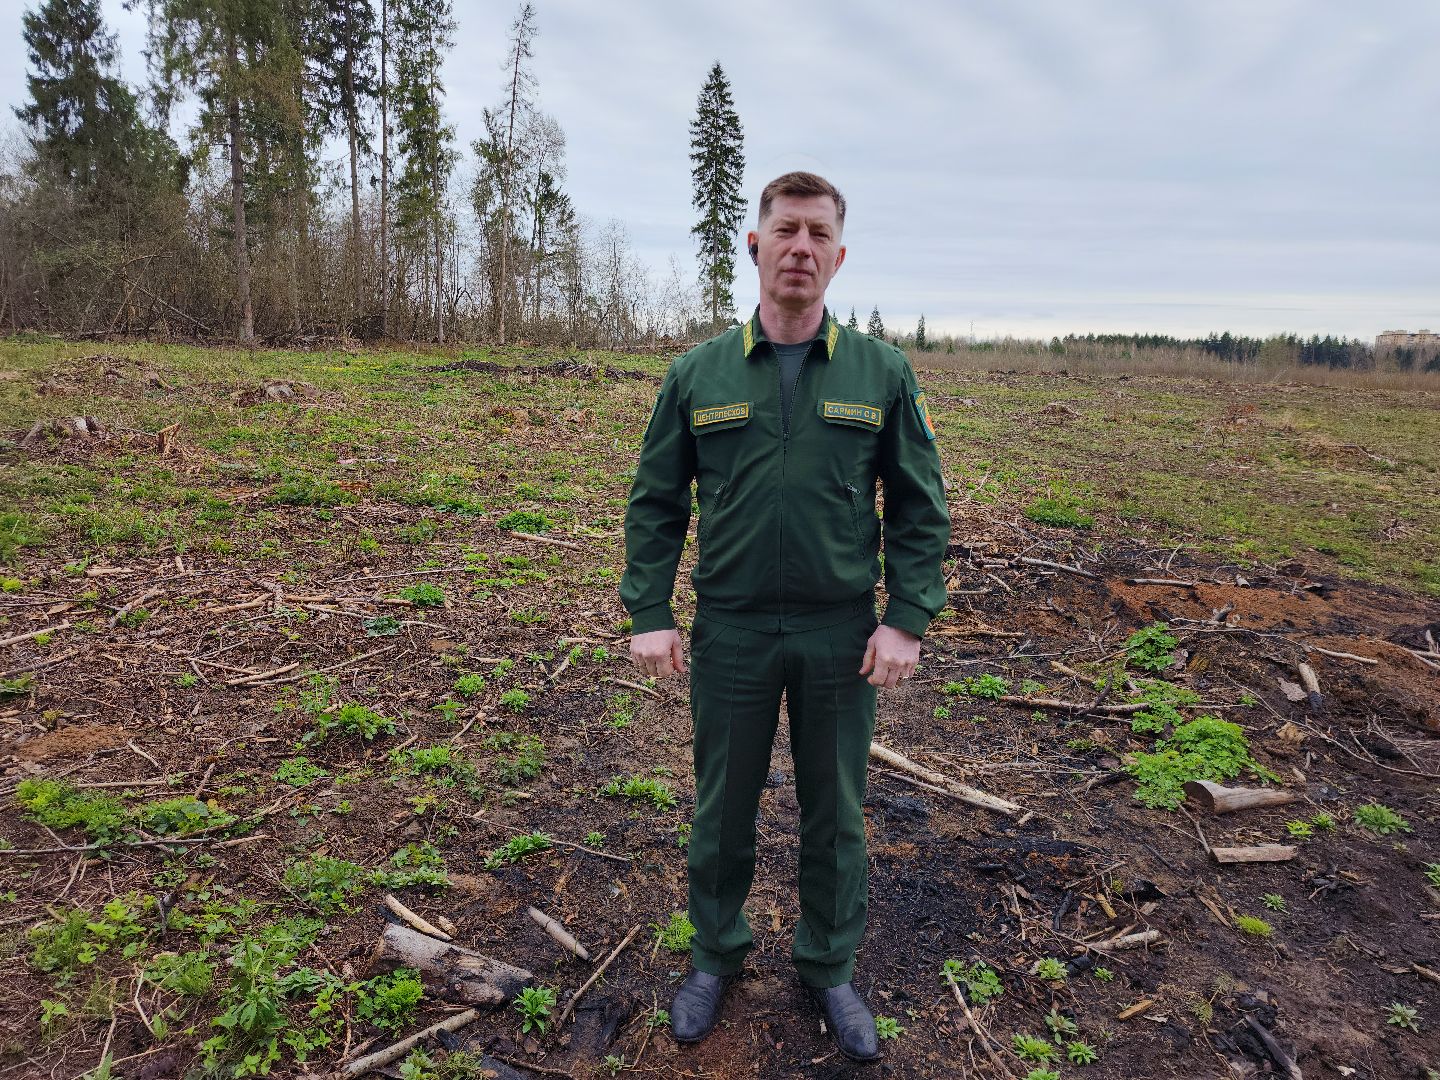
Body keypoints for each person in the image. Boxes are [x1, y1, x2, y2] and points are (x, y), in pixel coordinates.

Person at [620, 171, 950, 1062]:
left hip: (840, 633)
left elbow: (920, 506)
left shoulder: (881, 372)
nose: (800, 248)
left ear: (838, 258)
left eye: (818, 235)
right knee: (722, 806)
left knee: (835, 809)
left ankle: (829, 965)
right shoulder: (699, 373)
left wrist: (907, 619)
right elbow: (656, 501)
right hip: (730, 629)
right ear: (755, 246)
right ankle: (715, 953)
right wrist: (650, 609)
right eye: (786, 230)